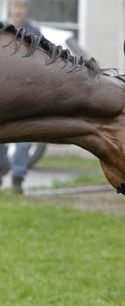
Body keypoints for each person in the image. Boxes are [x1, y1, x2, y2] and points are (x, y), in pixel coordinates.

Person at [0, 0, 41, 193]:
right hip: (4, 93)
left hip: (26, 93)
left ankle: (18, 178)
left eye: (22, 7)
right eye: (16, 7)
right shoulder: (2, 30)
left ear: (26, 10)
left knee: (25, 138)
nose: (18, 11)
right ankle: (1, 170)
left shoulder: (34, 33)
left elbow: (41, 60)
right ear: (11, 9)